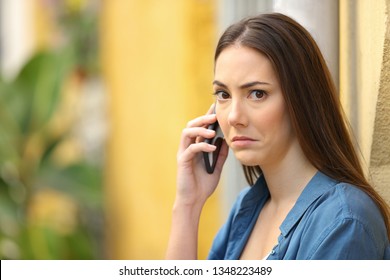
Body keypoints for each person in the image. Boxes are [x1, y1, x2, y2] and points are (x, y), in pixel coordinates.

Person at [165, 13, 390, 260]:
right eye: (223, 94)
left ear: (301, 100)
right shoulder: (248, 208)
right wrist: (188, 205)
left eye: (257, 93)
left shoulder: (344, 220)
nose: (233, 117)